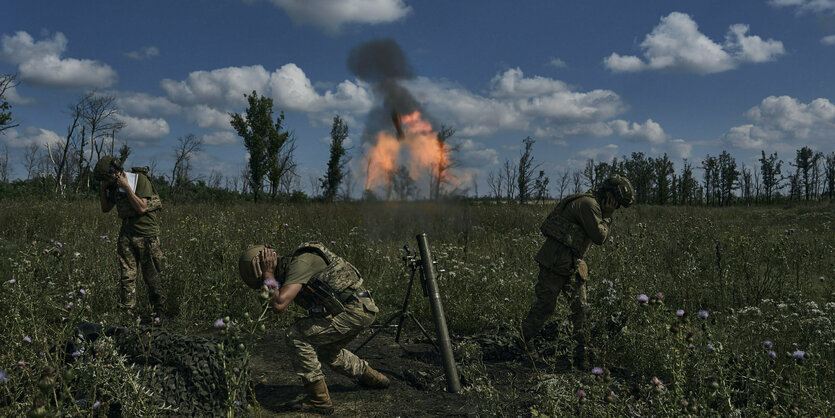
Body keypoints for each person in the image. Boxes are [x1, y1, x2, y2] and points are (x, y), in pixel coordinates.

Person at [239, 242, 390, 415]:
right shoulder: (292, 269)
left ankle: (319, 400)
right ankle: (373, 378)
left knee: (295, 335)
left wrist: (267, 273)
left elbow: (279, 305)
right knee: (328, 353)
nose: (265, 286)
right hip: (354, 309)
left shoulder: (299, 264)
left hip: (355, 310)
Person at [521, 174, 634, 369]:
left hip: (572, 265)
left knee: (581, 311)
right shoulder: (588, 205)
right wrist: (607, 217)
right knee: (545, 306)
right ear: (609, 195)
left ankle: (582, 356)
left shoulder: (593, 205)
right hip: (555, 263)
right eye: (617, 203)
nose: (617, 208)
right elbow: (599, 236)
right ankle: (523, 343)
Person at [94, 156, 167, 323]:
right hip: (127, 236)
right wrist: (103, 189)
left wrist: (126, 187)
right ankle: (128, 316)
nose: (107, 181)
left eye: (107, 178)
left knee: (152, 277)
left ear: (117, 173)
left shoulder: (139, 180)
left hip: (147, 236)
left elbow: (141, 207)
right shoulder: (112, 186)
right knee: (127, 277)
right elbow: (105, 208)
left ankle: (159, 314)